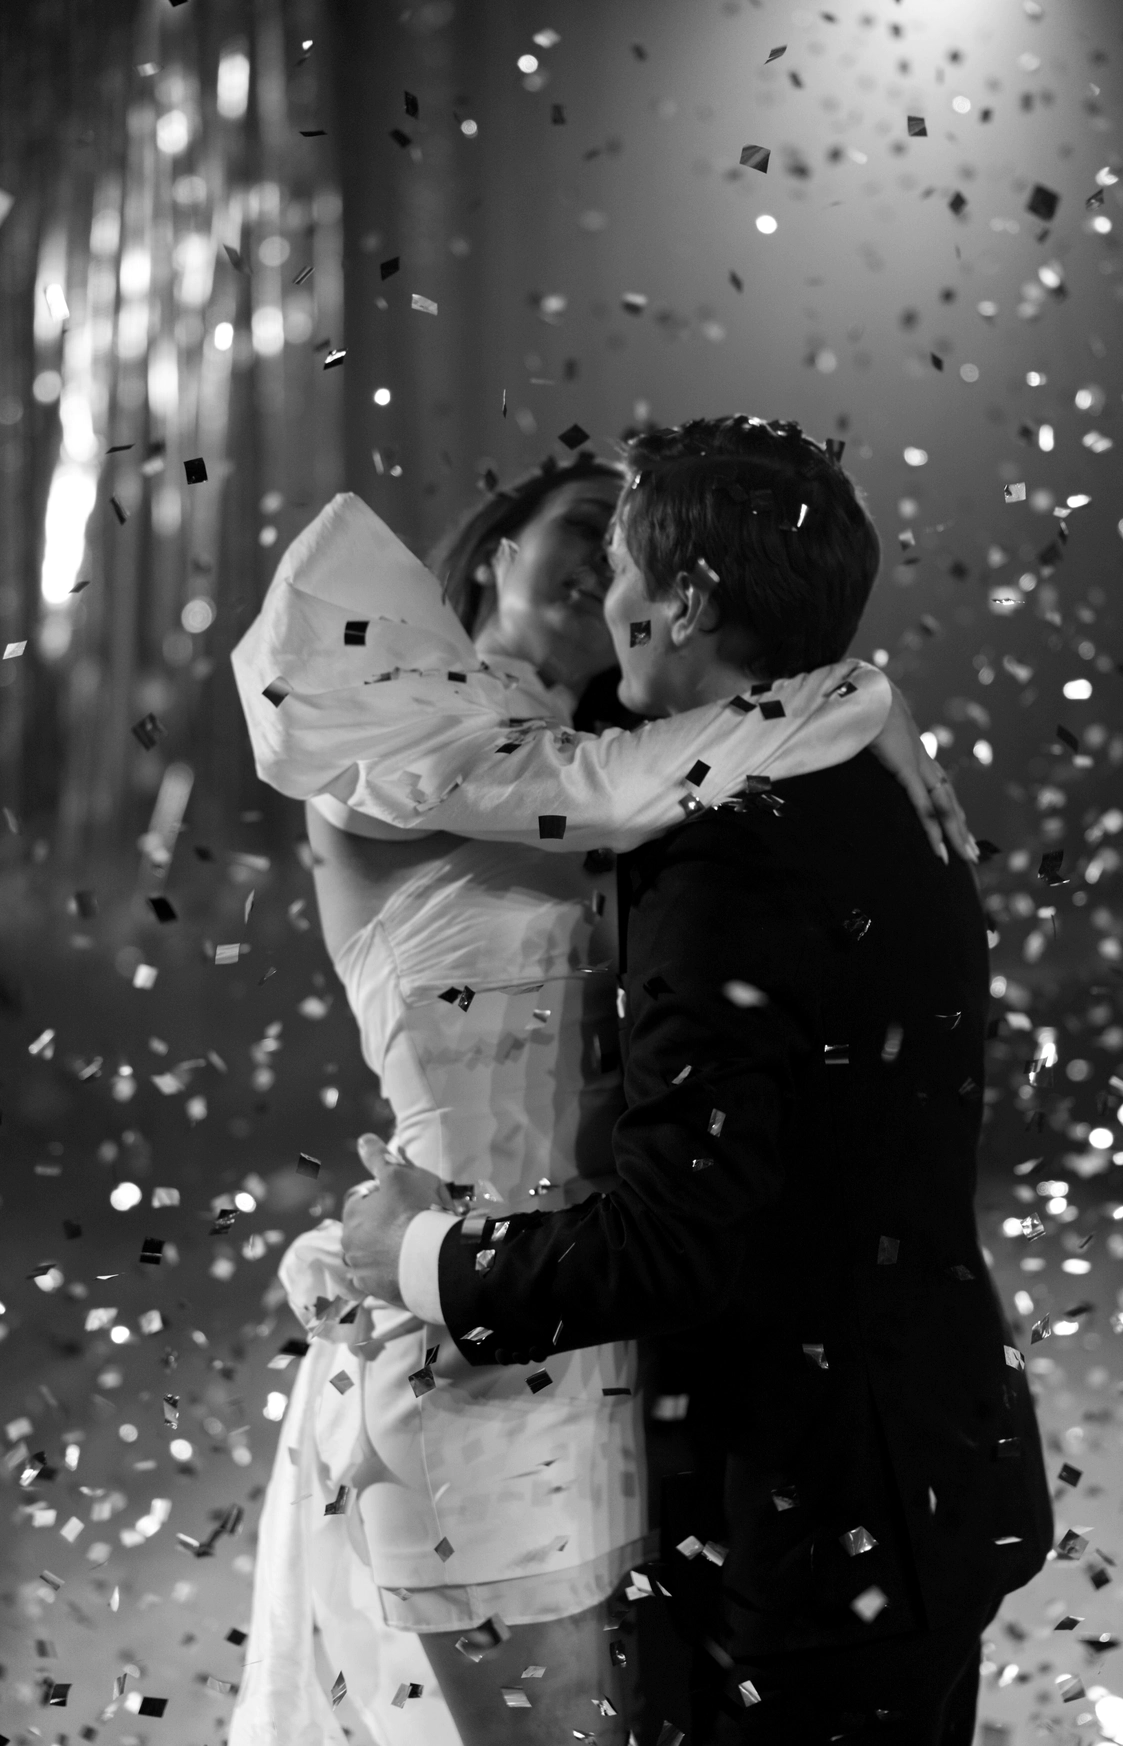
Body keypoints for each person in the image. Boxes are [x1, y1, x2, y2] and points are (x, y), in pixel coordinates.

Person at [230, 445, 972, 1746]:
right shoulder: (394, 744)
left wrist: (849, 704)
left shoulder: (657, 764)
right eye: (586, 522)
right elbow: (577, 793)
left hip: (640, 1343)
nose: (607, 558)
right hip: (475, 1343)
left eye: (628, 539)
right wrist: (851, 700)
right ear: (495, 548)